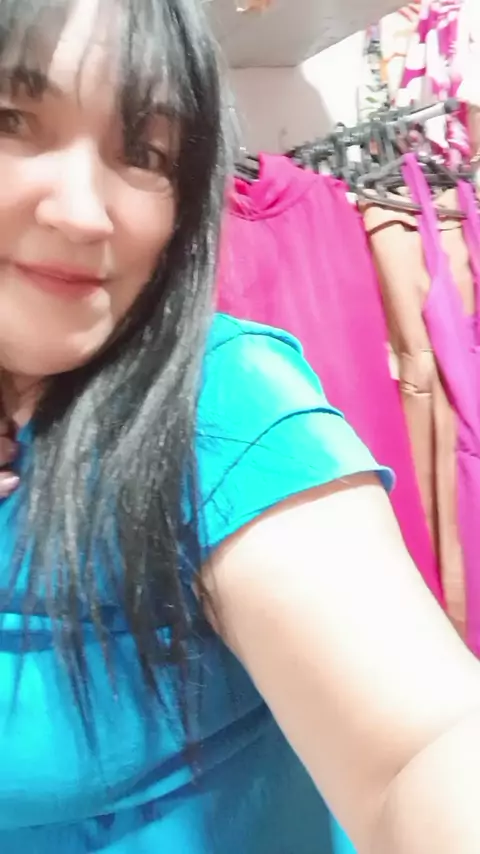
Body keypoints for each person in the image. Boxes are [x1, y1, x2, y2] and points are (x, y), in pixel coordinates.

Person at [1, 1, 480, 852]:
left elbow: (422, 747)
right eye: (11, 121)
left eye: (145, 152)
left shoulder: (218, 404)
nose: (83, 213)